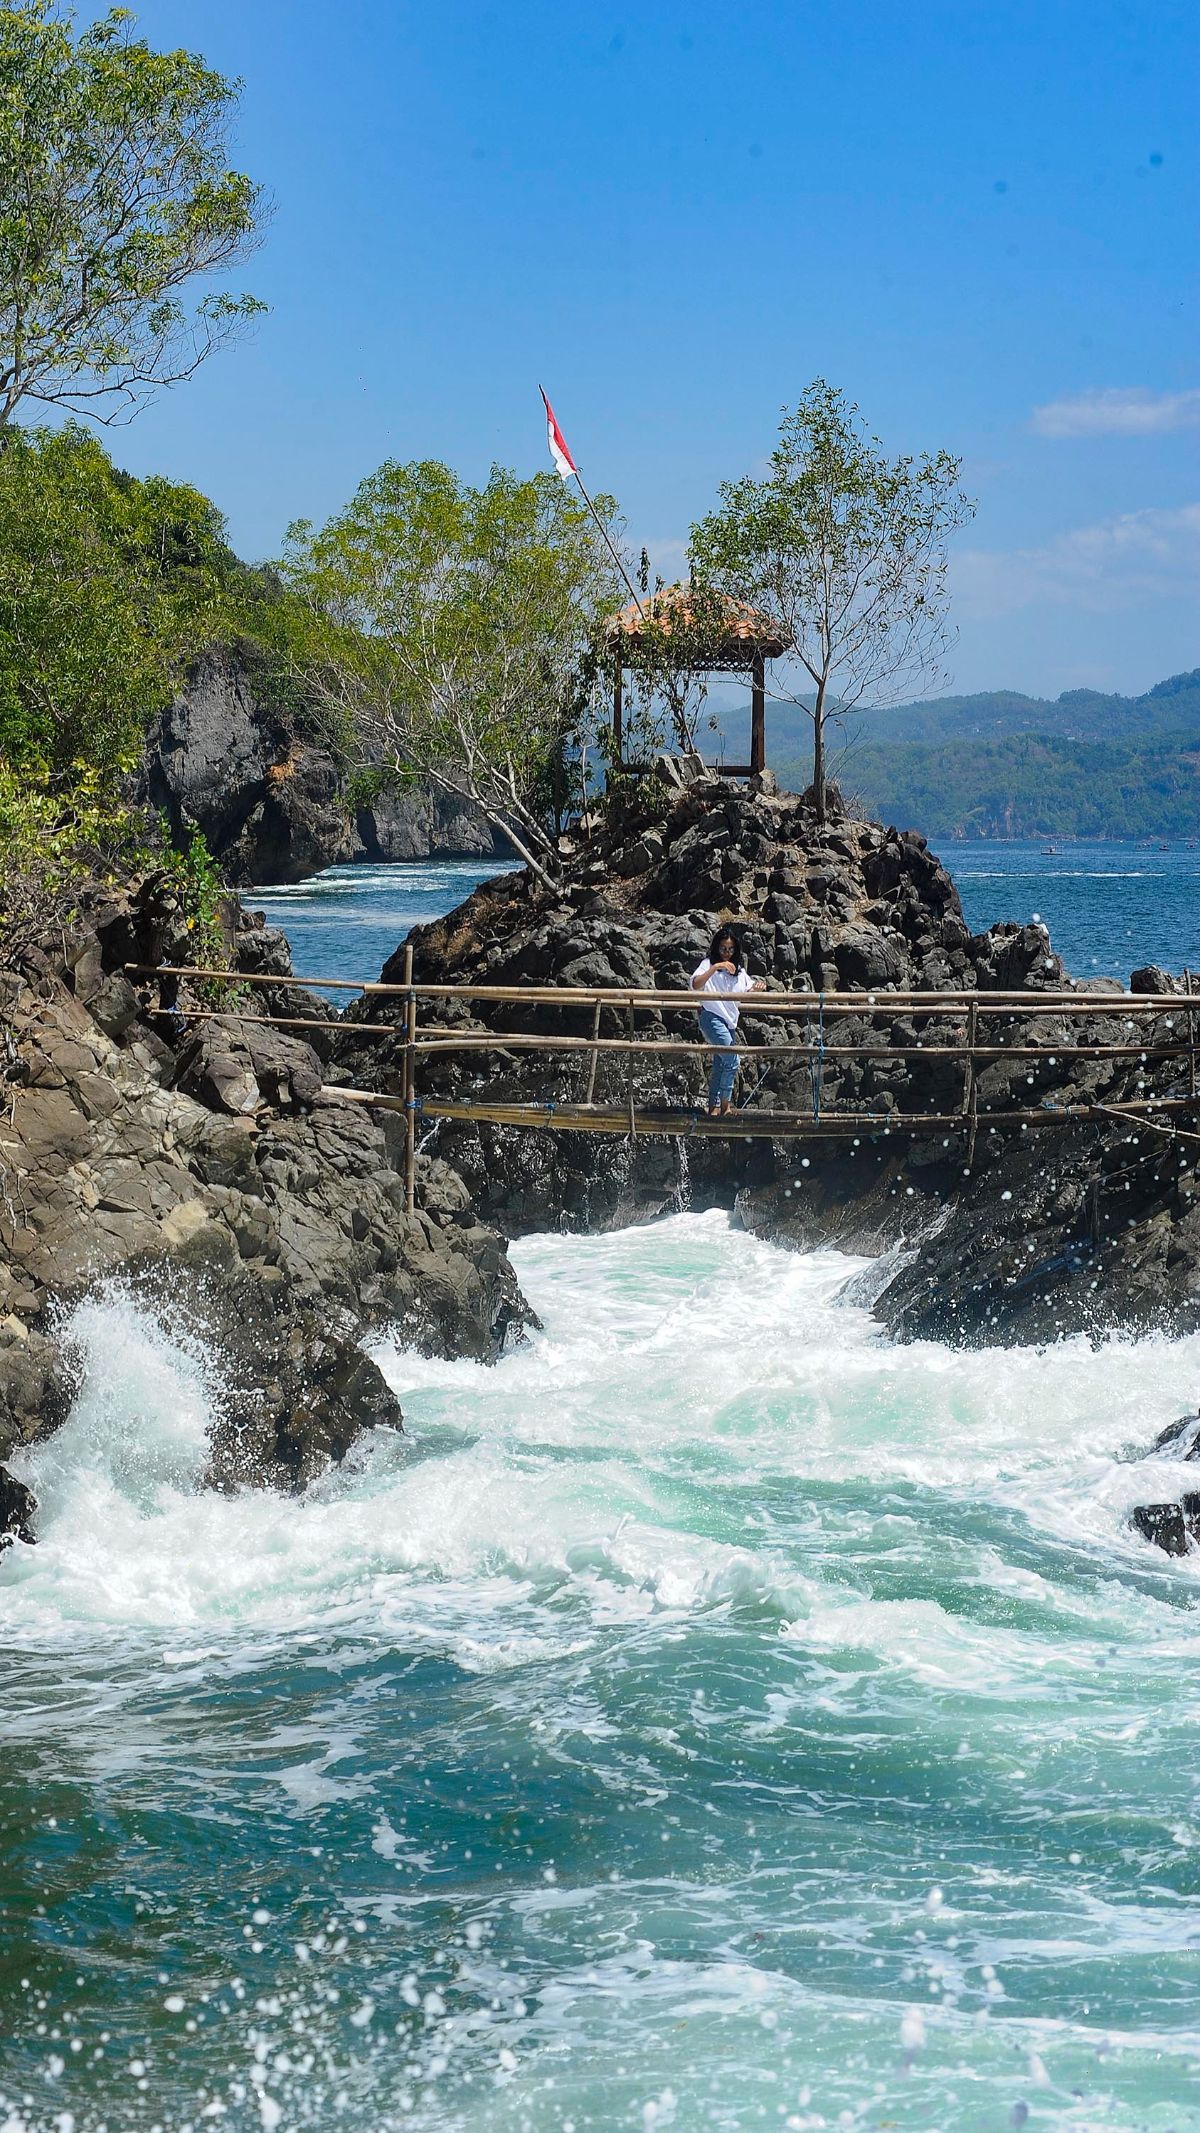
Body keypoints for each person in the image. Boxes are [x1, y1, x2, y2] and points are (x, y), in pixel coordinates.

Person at [690, 927, 765, 1116]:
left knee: (720, 1064)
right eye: (723, 949)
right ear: (717, 948)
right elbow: (695, 984)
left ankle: (713, 1106)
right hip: (711, 1017)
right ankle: (725, 1105)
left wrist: (757, 988)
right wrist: (716, 967)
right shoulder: (708, 964)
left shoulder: (739, 971)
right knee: (732, 1060)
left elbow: (748, 990)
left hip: (730, 1022)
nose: (727, 953)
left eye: (730, 949)